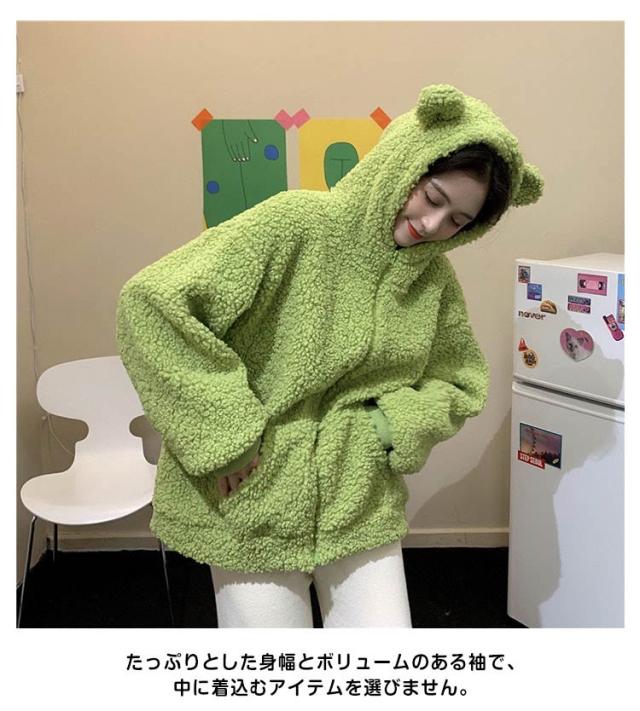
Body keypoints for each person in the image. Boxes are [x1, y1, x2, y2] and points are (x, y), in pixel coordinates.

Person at [116, 84, 543, 628]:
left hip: (358, 498)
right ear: (403, 165)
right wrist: (226, 436)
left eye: (458, 221)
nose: (433, 226)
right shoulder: (294, 223)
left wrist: (387, 427)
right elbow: (151, 304)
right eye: (432, 198)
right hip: (252, 496)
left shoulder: (433, 281)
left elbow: (459, 380)